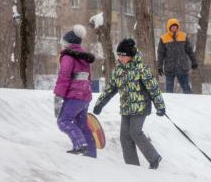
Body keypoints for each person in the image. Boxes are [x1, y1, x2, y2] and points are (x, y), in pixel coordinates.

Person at [93, 38, 165, 169]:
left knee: (135, 132)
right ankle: (132, 167)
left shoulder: (141, 69)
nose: (119, 57)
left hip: (141, 107)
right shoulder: (118, 71)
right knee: (124, 137)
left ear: (130, 55)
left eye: (122, 55)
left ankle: (154, 157)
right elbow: (110, 89)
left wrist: (160, 106)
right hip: (126, 108)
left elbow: (153, 88)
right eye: (118, 54)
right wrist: (100, 104)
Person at [53, 24, 97, 158]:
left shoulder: (68, 57)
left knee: (63, 121)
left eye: (63, 42)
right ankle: (91, 153)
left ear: (67, 43)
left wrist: (59, 95)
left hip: (74, 96)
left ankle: (80, 145)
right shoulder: (83, 57)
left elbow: (64, 77)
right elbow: (89, 78)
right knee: (82, 124)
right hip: (84, 96)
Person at [157, 18, 198, 94]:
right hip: (169, 68)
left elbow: (190, 51)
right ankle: (170, 105)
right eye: (172, 26)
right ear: (169, 27)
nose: (174, 28)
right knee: (169, 91)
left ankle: (191, 103)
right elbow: (161, 54)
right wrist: (159, 66)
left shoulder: (183, 36)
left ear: (178, 27)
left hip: (182, 67)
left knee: (187, 89)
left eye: (175, 26)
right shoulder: (163, 38)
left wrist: (194, 62)